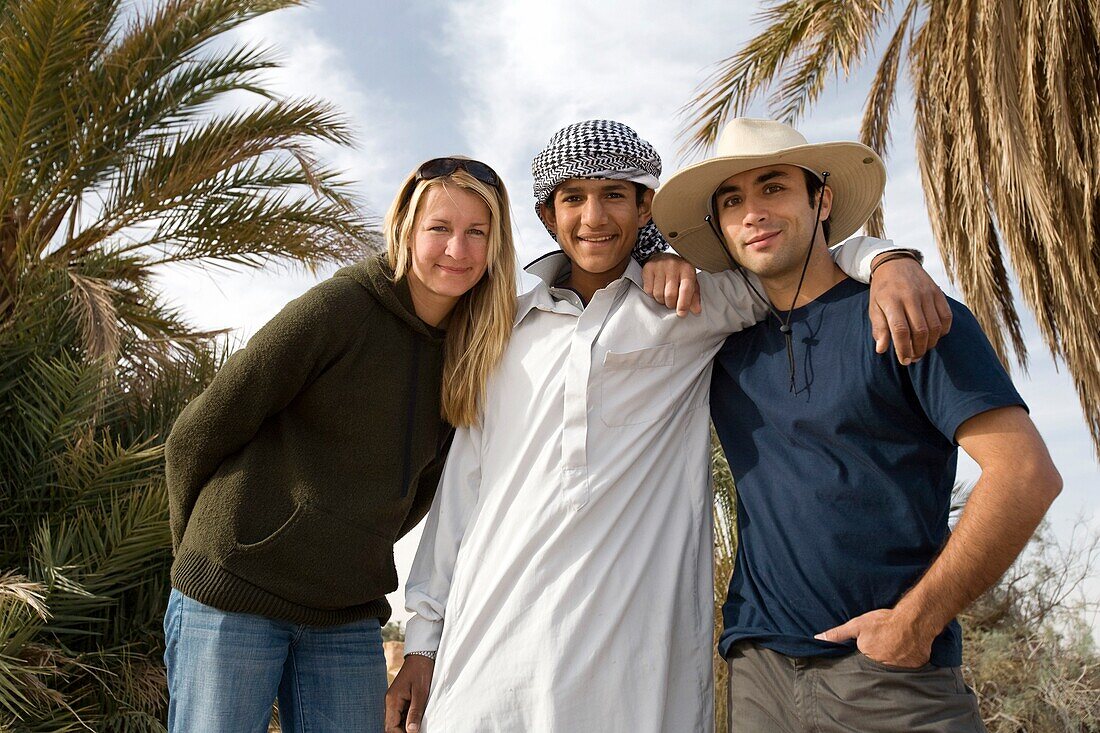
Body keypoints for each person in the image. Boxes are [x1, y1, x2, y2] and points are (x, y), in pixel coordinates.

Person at [386, 120, 949, 733]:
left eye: (614, 195)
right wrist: (422, 642)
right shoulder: (503, 324)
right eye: (572, 198)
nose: (593, 216)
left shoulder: (692, 303)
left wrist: (888, 259)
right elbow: (461, 492)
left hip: (635, 671)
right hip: (491, 655)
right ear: (549, 215)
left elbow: (799, 264)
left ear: (645, 204)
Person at [650, 117, 1062, 732]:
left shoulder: (911, 314)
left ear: (823, 199)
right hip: (758, 671)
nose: (753, 213)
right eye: (732, 201)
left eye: (774, 188)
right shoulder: (719, 346)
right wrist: (656, 258)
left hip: (890, 678)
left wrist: (913, 625)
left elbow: (1025, 475)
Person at [161, 157, 517, 733]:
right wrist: (202, 556)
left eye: (478, 232)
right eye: (440, 228)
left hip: (347, 612)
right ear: (405, 229)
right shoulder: (342, 307)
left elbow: (427, 485)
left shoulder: (475, 349)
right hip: (235, 595)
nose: (458, 248)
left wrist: (355, 539)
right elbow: (198, 432)